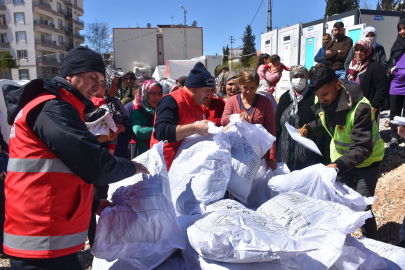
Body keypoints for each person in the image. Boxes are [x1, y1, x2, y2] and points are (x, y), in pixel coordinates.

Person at [2, 46, 148, 269]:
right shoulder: (51, 108)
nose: (97, 87)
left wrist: (94, 203)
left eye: (101, 80)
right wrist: (134, 167)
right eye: (92, 78)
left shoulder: (59, 107)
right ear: (70, 74)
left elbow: (55, 173)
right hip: (41, 239)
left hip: (46, 235)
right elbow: (95, 165)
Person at [300, 66, 384, 239]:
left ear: (338, 85)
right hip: (341, 162)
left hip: (367, 163)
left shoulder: (361, 108)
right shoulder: (325, 99)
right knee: (337, 204)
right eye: (318, 96)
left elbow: (362, 148)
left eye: (324, 95)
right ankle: (342, 244)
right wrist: (309, 128)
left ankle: (373, 245)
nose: (321, 99)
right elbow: (327, 122)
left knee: (362, 207)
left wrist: (337, 165)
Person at [151, 62, 213, 170]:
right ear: (193, 88)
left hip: (186, 166)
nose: (209, 95)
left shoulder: (199, 105)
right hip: (166, 167)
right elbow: (161, 131)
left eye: (211, 91)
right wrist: (196, 128)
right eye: (206, 91)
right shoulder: (171, 101)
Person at [221, 70, 277, 170]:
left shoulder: (265, 103)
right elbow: (224, 121)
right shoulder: (232, 100)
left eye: (252, 88)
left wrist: (272, 158)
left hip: (259, 155)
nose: (248, 91)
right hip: (236, 154)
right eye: (245, 87)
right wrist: (238, 116)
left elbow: (271, 130)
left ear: (258, 86)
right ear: (239, 85)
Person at [275, 66, 327, 171]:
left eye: (302, 76)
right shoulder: (285, 97)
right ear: (290, 79)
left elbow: (321, 123)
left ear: (307, 78)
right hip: (284, 151)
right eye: (295, 76)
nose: (299, 79)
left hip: (308, 155)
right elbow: (276, 124)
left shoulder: (314, 97)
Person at [345, 38, 389, 118]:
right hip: (351, 108)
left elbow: (382, 88)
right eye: (356, 49)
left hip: (368, 109)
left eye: (362, 50)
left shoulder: (375, 66)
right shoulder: (352, 66)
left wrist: (374, 107)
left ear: (368, 51)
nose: (358, 53)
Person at [103, 68, 132, 158]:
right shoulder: (96, 102)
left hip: (121, 154)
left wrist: (122, 127)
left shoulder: (117, 103)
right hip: (104, 155)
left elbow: (129, 129)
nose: (115, 87)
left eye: (117, 84)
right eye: (112, 83)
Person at [130, 79, 162, 155]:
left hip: (160, 153)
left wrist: (148, 130)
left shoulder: (162, 112)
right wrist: (162, 129)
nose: (156, 96)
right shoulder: (136, 113)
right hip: (142, 154)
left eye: (159, 93)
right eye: (152, 93)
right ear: (144, 94)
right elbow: (139, 132)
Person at [387, 18, 405, 148]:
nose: (402, 32)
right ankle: (394, 136)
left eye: (404, 28)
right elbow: (389, 63)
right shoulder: (396, 45)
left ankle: (404, 133)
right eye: (400, 29)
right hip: (396, 84)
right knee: (394, 111)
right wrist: (390, 70)